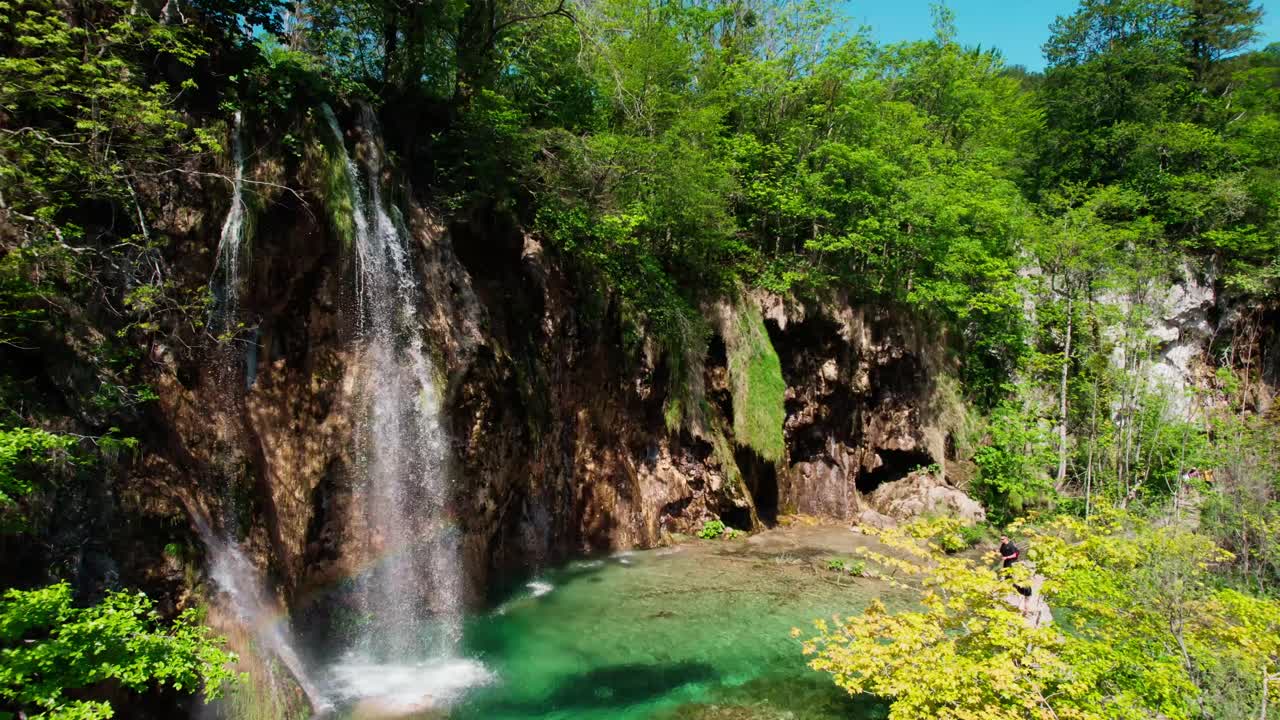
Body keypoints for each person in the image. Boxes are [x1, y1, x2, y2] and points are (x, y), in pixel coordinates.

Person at [999, 534, 1032, 611]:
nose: (1001, 540)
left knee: (1011, 574)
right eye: (1000, 539)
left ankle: (1026, 608)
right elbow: (1001, 551)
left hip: (1012, 562)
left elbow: (1016, 554)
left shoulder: (1011, 545)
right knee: (1006, 574)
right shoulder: (1002, 545)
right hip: (1006, 563)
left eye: (1003, 539)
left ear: (1006, 538)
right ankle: (1008, 583)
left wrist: (1007, 557)